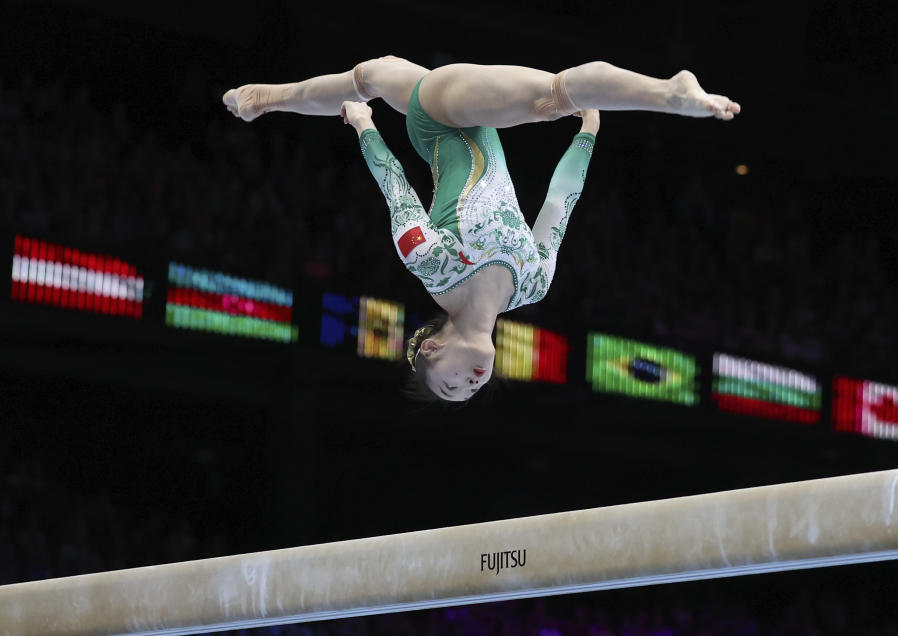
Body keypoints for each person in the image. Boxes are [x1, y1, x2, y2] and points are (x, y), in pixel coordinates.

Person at [222, 56, 740, 402]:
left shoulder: (433, 266)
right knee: (369, 75)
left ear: (430, 349)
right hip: (466, 112)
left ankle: (670, 93)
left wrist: (364, 127)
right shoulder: (532, 285)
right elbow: (560, 203)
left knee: (550, 98)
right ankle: (265, 98)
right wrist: (588, 133)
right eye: (469, 394)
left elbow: (395, 188)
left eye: (449, 387)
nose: (469, 387)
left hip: (438, 119)